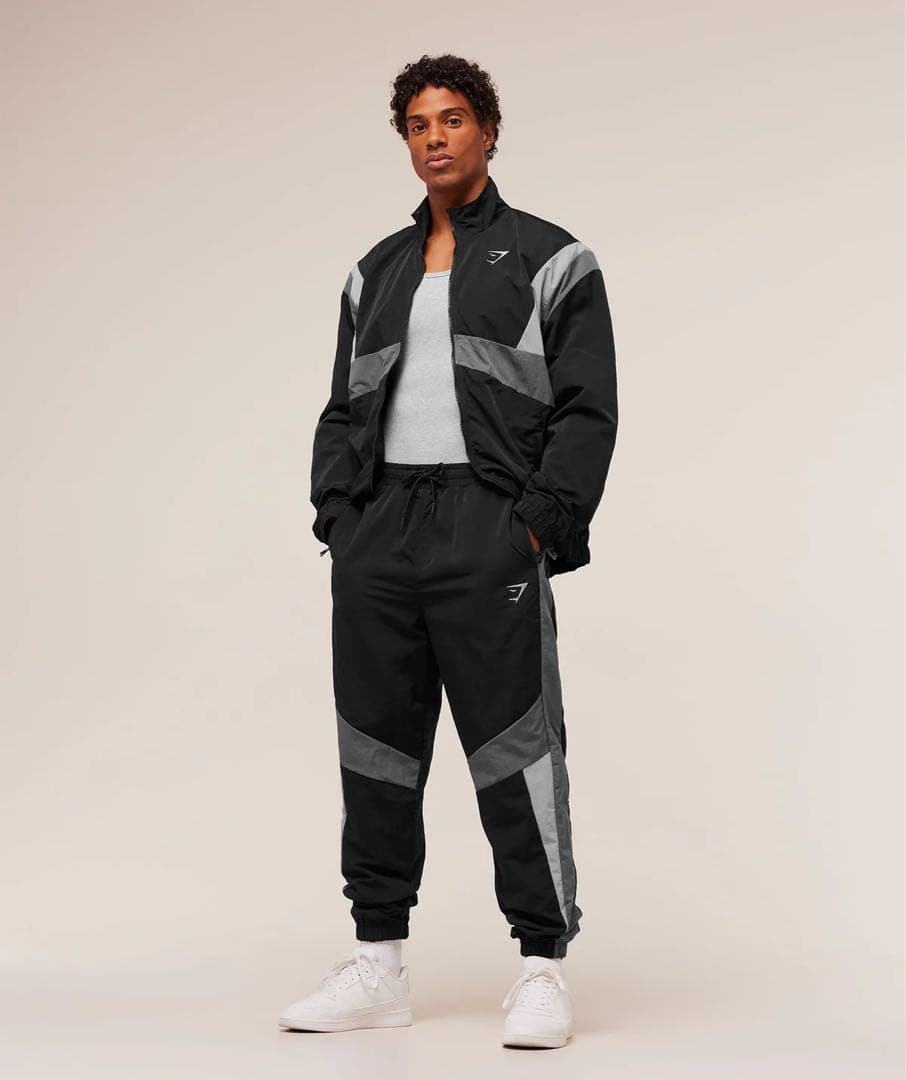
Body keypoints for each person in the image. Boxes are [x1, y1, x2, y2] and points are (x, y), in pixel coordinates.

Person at [279, 53, 618, 1049]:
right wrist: (340, 517)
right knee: (376, 746)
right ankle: (378, 965)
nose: (436, 137)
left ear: (489, 131)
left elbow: (588, 409)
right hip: (381, 530)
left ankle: (542, 967)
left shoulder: (554, 259)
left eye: (454, 118)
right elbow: (343, 408)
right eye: (419, 124)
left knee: (516, 745)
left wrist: (537, 524)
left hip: (489, 525)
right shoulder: (374, 272)